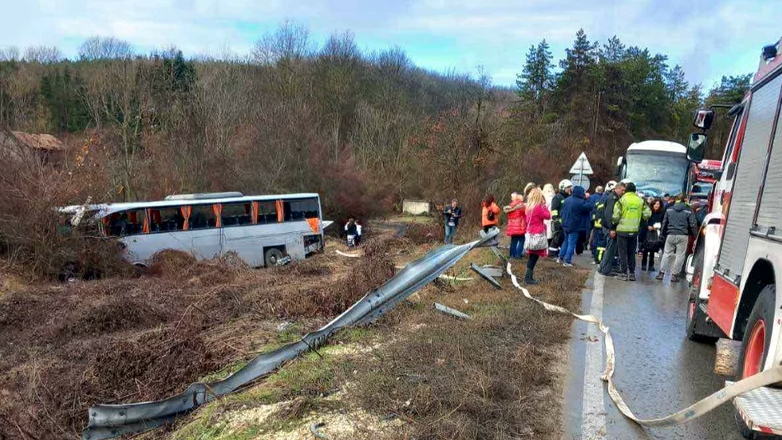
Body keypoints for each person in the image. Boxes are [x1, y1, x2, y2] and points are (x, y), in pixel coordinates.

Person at [612, 182, 651, 281]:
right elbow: (647, 214)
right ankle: (632, 273)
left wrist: (614, 224)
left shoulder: (621, 200)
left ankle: (624, 274)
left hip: (622, 230)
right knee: (631, 252)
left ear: (626, 190)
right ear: (635, 190)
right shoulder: (640, 201)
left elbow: (616, 216)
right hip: (634, 231)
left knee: (622, 252)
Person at [656, 195, 698, 283]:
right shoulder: (689, 210)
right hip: (683, 236)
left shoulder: (669, 209)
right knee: (680, 255)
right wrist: (696, 236)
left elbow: (664, 223)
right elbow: (693, 224)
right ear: (686, 200)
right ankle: (674, 275)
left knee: (666, 253)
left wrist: (662, 234)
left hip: (670, 234)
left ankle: (661, 273)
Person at [558, 185, 591, 267]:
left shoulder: (567, 200)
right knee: (571, 243)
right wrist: (587, 198)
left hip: (565, 224)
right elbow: (589, 207)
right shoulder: (580, 202)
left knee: (565, 241)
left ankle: (560, 258)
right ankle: (567, 261)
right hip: (574, 226)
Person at [524, 187, 551, 285]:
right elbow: (548, 216)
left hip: (530, 233)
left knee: (532, 256)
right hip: (537, 234)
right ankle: (528, 278)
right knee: (534, 256)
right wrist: (544, 205)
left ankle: (528, 276)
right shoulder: (538, 207)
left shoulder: (529, 207)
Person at [598, 181, 625, 276]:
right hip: (609, 228)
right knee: (610, 249)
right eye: (622, 190)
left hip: (608, 227)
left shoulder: (615, 197)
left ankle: (603, 267)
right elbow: (609, 215)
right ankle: (605, 269)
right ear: (617, 189)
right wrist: (612, 228)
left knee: (611, 248)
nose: (623, 192)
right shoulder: (613, 199)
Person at [640, 199, 665, 271]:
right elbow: (643, 221)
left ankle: (651, 265)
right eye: (655, 204)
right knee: (646, 248)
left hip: (656, 232)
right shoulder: (648, 212)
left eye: (658, 204)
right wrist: (648, 226)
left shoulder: (662, 213)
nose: (656, 205)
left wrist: (657, 227)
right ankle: (644, 264)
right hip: (647, 232)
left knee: (653, 249)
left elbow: (663, 222)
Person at [550, 179, 573, 256]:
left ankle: (559, 254)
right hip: (559, 222)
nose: (570, 189)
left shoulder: (569, 197)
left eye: (570, 187)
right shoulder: (558, 197)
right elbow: (554, 209)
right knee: (557, 238)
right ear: (563, 188)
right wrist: (555, 219)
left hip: (566, 222)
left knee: (562, 239)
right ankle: (552, 253)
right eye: (568, 187)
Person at [504, 192, 527, 259]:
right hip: (520, 226)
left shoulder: (510, 206)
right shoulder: (521, 205)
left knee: (513, 241)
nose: (511, 198)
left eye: (512, 197)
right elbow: (525, 213)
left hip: (512, 227)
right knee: (522, 240)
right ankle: (518, 255)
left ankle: (512, 255)